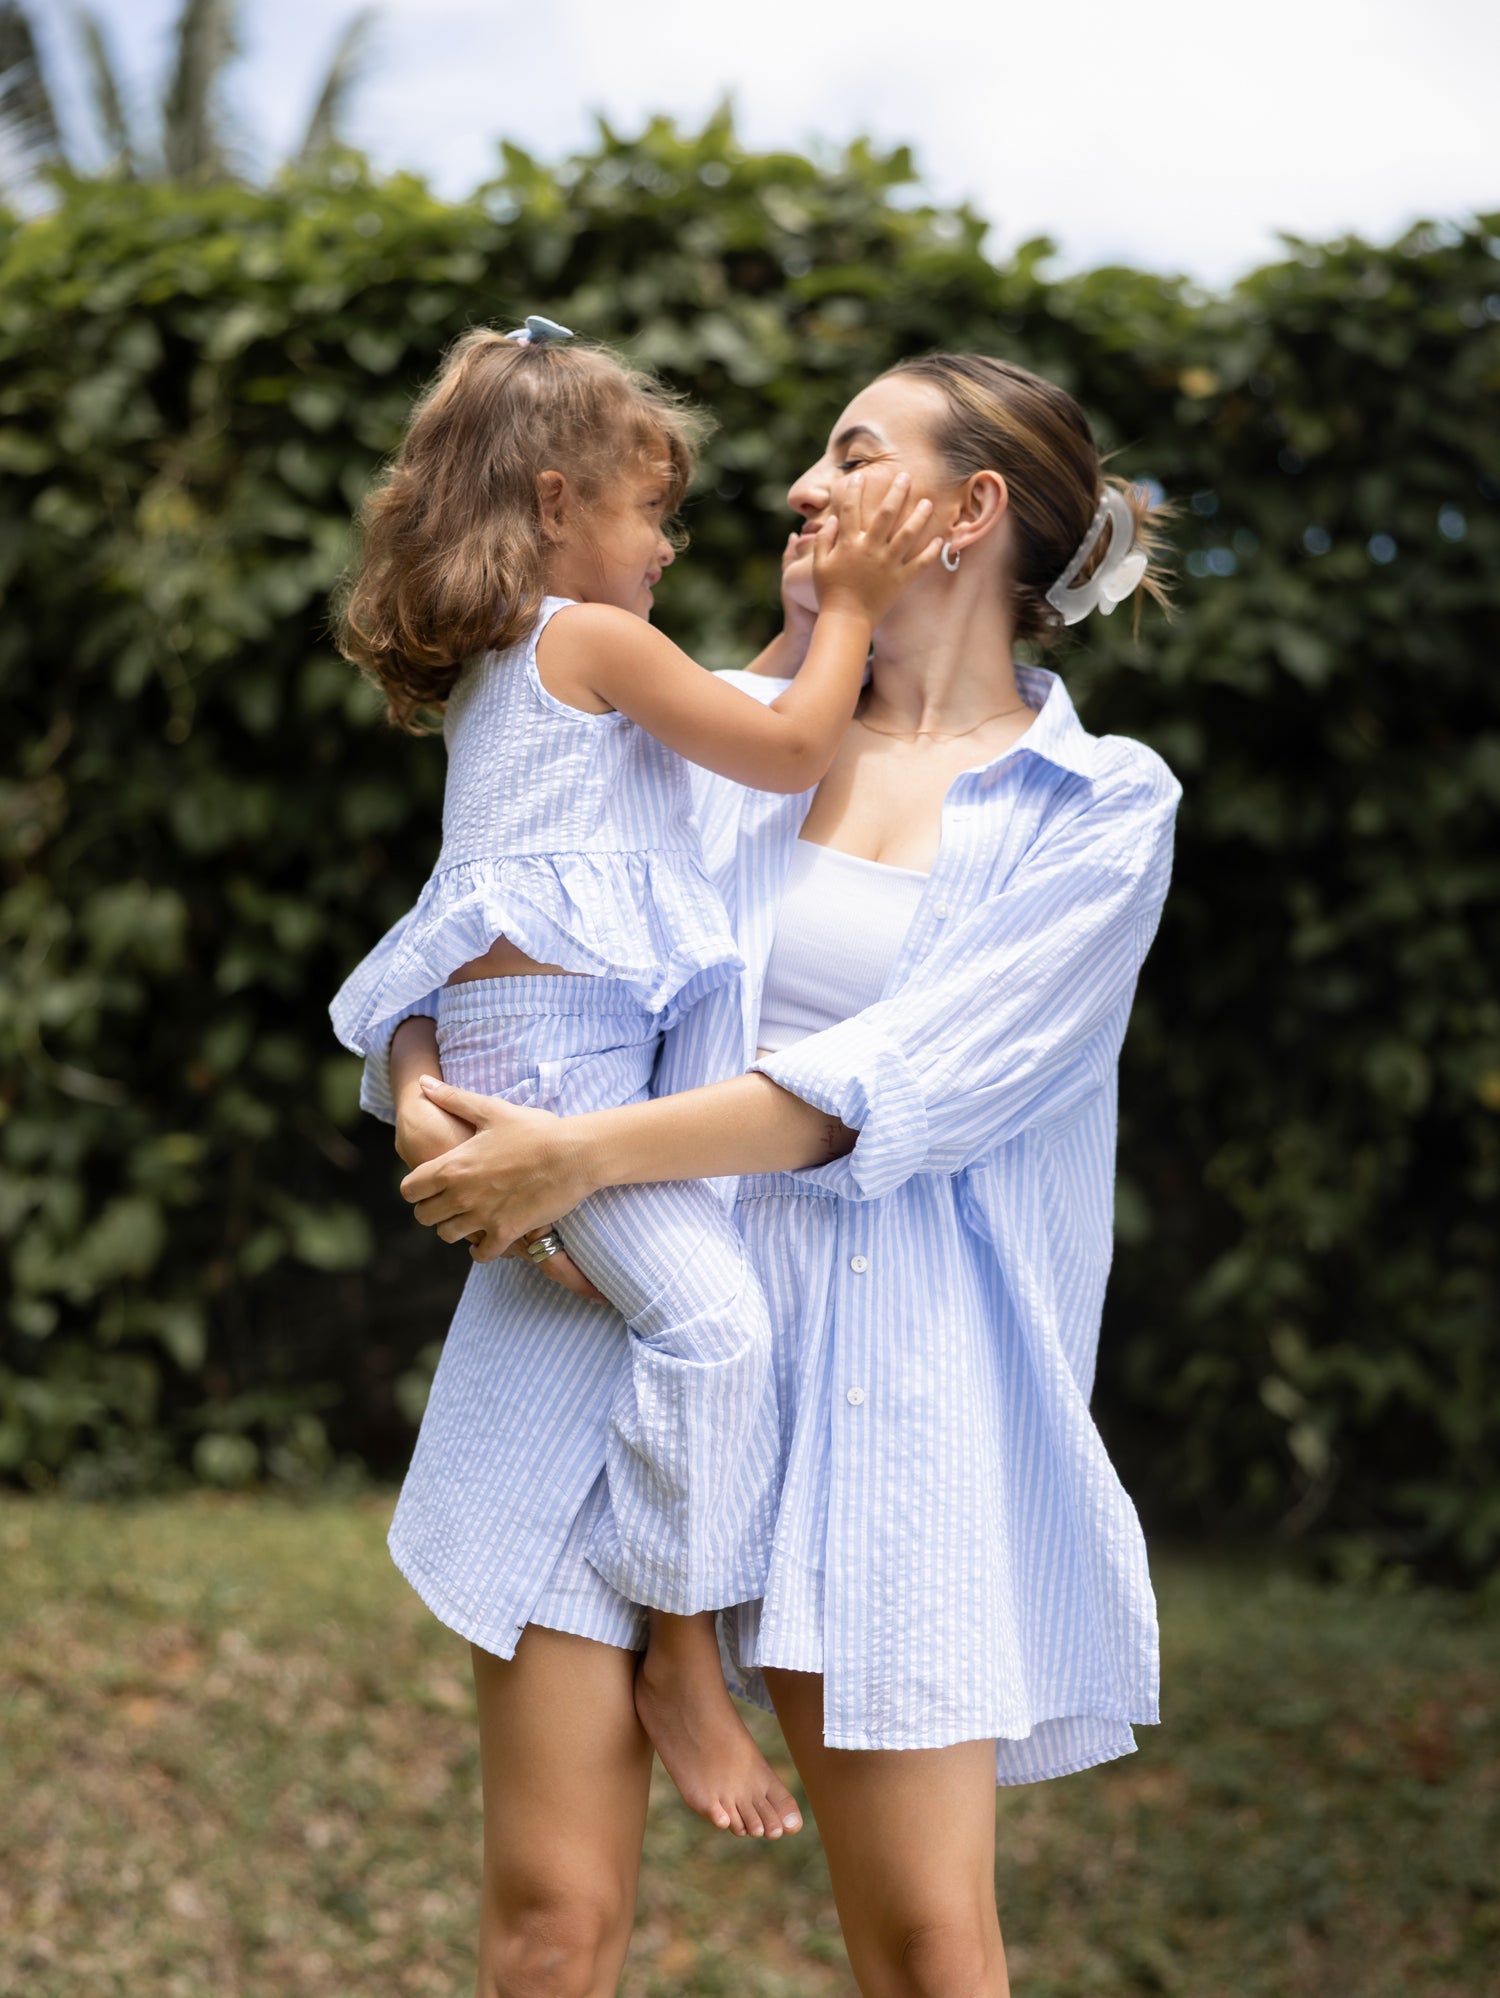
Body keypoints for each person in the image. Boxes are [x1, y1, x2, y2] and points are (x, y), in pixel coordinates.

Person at [396, 351, 1181, 1998]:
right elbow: (499, 916)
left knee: (929, 1951)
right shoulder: (721, 725)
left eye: (852, 453)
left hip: (887, 1397)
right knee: (548, 1932)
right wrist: (416, 1087)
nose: (801, 490)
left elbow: (888, 1090)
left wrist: (572, 1154)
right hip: (602, 1342)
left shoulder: (1096, 809)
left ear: (969, 513)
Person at [330, 316, 939, 1843]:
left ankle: (666, 1627)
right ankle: (681, 1649)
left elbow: (747, 700)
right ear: (553, 505)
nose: (668, 544)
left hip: (546, 1065)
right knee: (719, 1323)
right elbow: (791, 747)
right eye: (648, 510)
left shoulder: (520, 669)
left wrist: (811, 621)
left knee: (688, 1314)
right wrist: (858, 604)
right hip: (561, 1085)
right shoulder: (582, 641)